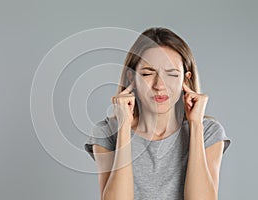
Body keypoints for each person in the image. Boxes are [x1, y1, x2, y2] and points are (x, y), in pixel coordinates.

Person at [84, 27, 231, 200]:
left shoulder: (208, 132)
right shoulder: (106, 132)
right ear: (132, 78)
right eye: (147, 73)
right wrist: (123, 128)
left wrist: (195, 125)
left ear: (186, 79)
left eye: (171, 74)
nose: (159, 85)